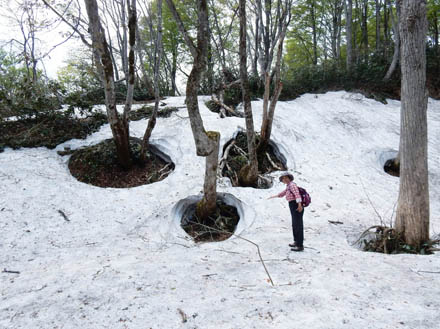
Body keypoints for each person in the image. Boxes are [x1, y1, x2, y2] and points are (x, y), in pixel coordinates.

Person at [268, 172, 304, 252]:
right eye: (283, 179)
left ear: (289, 178)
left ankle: (300, 245)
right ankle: (296, 241)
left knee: (298, 225)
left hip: (296, 205)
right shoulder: (288, 186)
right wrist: (274, 196)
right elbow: (283, 193)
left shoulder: (292, 185)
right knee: (295, 224)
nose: (285, 179)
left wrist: (299, 205)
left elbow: (297, 194)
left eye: (286, 178)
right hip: (292, 205)